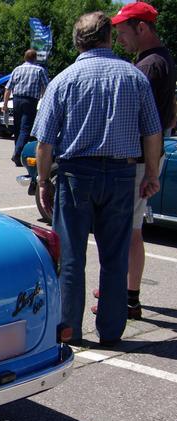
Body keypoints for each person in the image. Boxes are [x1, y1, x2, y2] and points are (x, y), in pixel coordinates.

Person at [32, 11, 162, 347]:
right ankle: (111, 330)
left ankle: (69, 330)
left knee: (71, 257)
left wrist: (43, 181)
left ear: (78, 41)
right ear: (108, 37)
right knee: (115, 256)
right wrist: (150, 173)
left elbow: (44, 142)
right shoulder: (134, 78)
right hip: (121, 174)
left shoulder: (64, 80)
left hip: (76, 174)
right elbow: (152, 132)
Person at [107, 1, 176, 320]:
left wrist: (148, 169)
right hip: (147, 157)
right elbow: (170, 115)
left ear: (142, 28)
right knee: (131, 228)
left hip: (137, 161)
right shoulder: (162, 59)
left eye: (123, 33)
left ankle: (129, 299)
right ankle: (124, 289)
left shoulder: (148, 67)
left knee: (129, 230)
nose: (120, 40)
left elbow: (136, 120)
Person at [2, 49, 49, 167]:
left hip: (17, 99)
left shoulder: (17, 69)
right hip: (30, 101)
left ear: (25, 58)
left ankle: (18, 156)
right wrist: (45, 103)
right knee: (26, 128)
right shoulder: (39, 70)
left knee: (17, 128)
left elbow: (8, 88)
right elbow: (46, 88)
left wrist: (5, 104)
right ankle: (17, 154)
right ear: (35, 58)